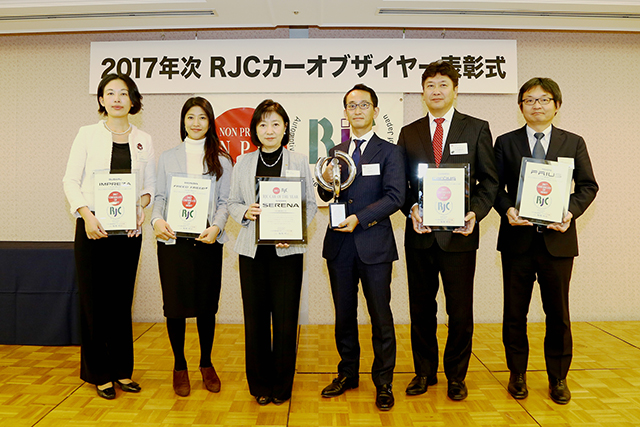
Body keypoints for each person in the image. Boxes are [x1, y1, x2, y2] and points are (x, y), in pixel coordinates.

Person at [397, 60, 499, 401]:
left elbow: (490, 182)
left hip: (459, 237)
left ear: (455, 90)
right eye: (430, 85)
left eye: (443, 85)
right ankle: (424, 372)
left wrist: (475, 213)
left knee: (460, 311)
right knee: (421, 310)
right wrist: (411, 208)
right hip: (421, 236)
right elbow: (401, 184)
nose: (436, 91)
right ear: (422, 92)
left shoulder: (477, 128)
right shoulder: (409, 132)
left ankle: (457, 376)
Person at [494, 77, 598, 404]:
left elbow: (588, 186)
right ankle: (517, 374)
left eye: (544, 100)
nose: (536, 106)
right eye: (529, 100)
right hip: (517, 241)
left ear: (557, 105)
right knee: (515, 313)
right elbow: (494, 187)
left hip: (558, 243)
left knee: (558, 314)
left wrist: (570, 212)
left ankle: (558, 377)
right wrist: (507, 209)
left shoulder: (573, 142)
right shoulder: (505, 142)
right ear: (520, 106)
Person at [63, 73, 155, 400]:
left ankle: (121, 370)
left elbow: (149, 187)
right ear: (101, 100)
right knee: (94, 303)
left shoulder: (144, 139)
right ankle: (99, 373)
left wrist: (141, 207)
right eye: (110, 93)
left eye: (124, 93)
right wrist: (86, 215)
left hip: (128, 232)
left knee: (120, 302)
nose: (117, 98)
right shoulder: (87, 134)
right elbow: (70, 181)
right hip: (92, 229)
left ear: (133, 100)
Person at [318, 84, 405, 411]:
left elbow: (395, 196)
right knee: (344, 315)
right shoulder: (335, 151)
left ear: (375, 111)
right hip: (339, 246)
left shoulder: (390, 151)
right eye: (351, 106)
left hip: (374, 246)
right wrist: (325, 179)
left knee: (380, 316)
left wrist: (360, 218)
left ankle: (383, 382)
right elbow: (327, 195)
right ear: (345, 112)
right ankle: (348, 373)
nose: (357, 110)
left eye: (363, 105)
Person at [227, 99, 317, 406]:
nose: (269, 130)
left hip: (286, 252)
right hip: (252, 252)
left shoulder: (299, 161)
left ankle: (282, 386)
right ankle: (260, 385)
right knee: (255, 320)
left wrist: (294, 230)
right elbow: (231, 202)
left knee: (285, 320)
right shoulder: (243, 162)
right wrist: (245, 211)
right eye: (263, 124)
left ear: (285, 128)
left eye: (275, 123)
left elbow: (310, 204)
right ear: (254, 129)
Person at [151, 97, 233, 397]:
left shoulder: (222, 160)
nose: (196, 123)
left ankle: (206, 363)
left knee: (206, 307)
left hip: (206, 241)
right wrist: (156, 220)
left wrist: (217, 227)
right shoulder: (167, 157)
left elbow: (224, 202)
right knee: (175, 308)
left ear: (210, 123)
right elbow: (160, 197)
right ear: (183, 121)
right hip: (173, 242)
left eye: (202, 117)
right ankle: (179, 365)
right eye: (190, 117)